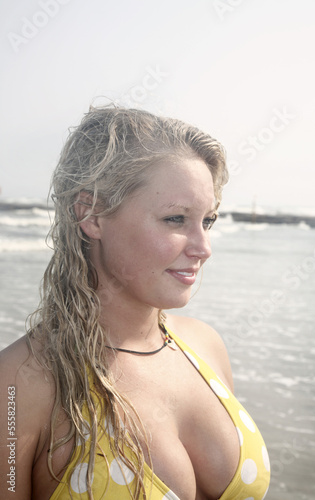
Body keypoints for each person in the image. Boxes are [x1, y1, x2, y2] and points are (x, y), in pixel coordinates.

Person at [0, 105, 270, 500]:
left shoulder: (205, 345)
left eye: (207, 221)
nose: (203, 248)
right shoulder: (17, 385)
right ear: (91, 214)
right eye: (175, 219)